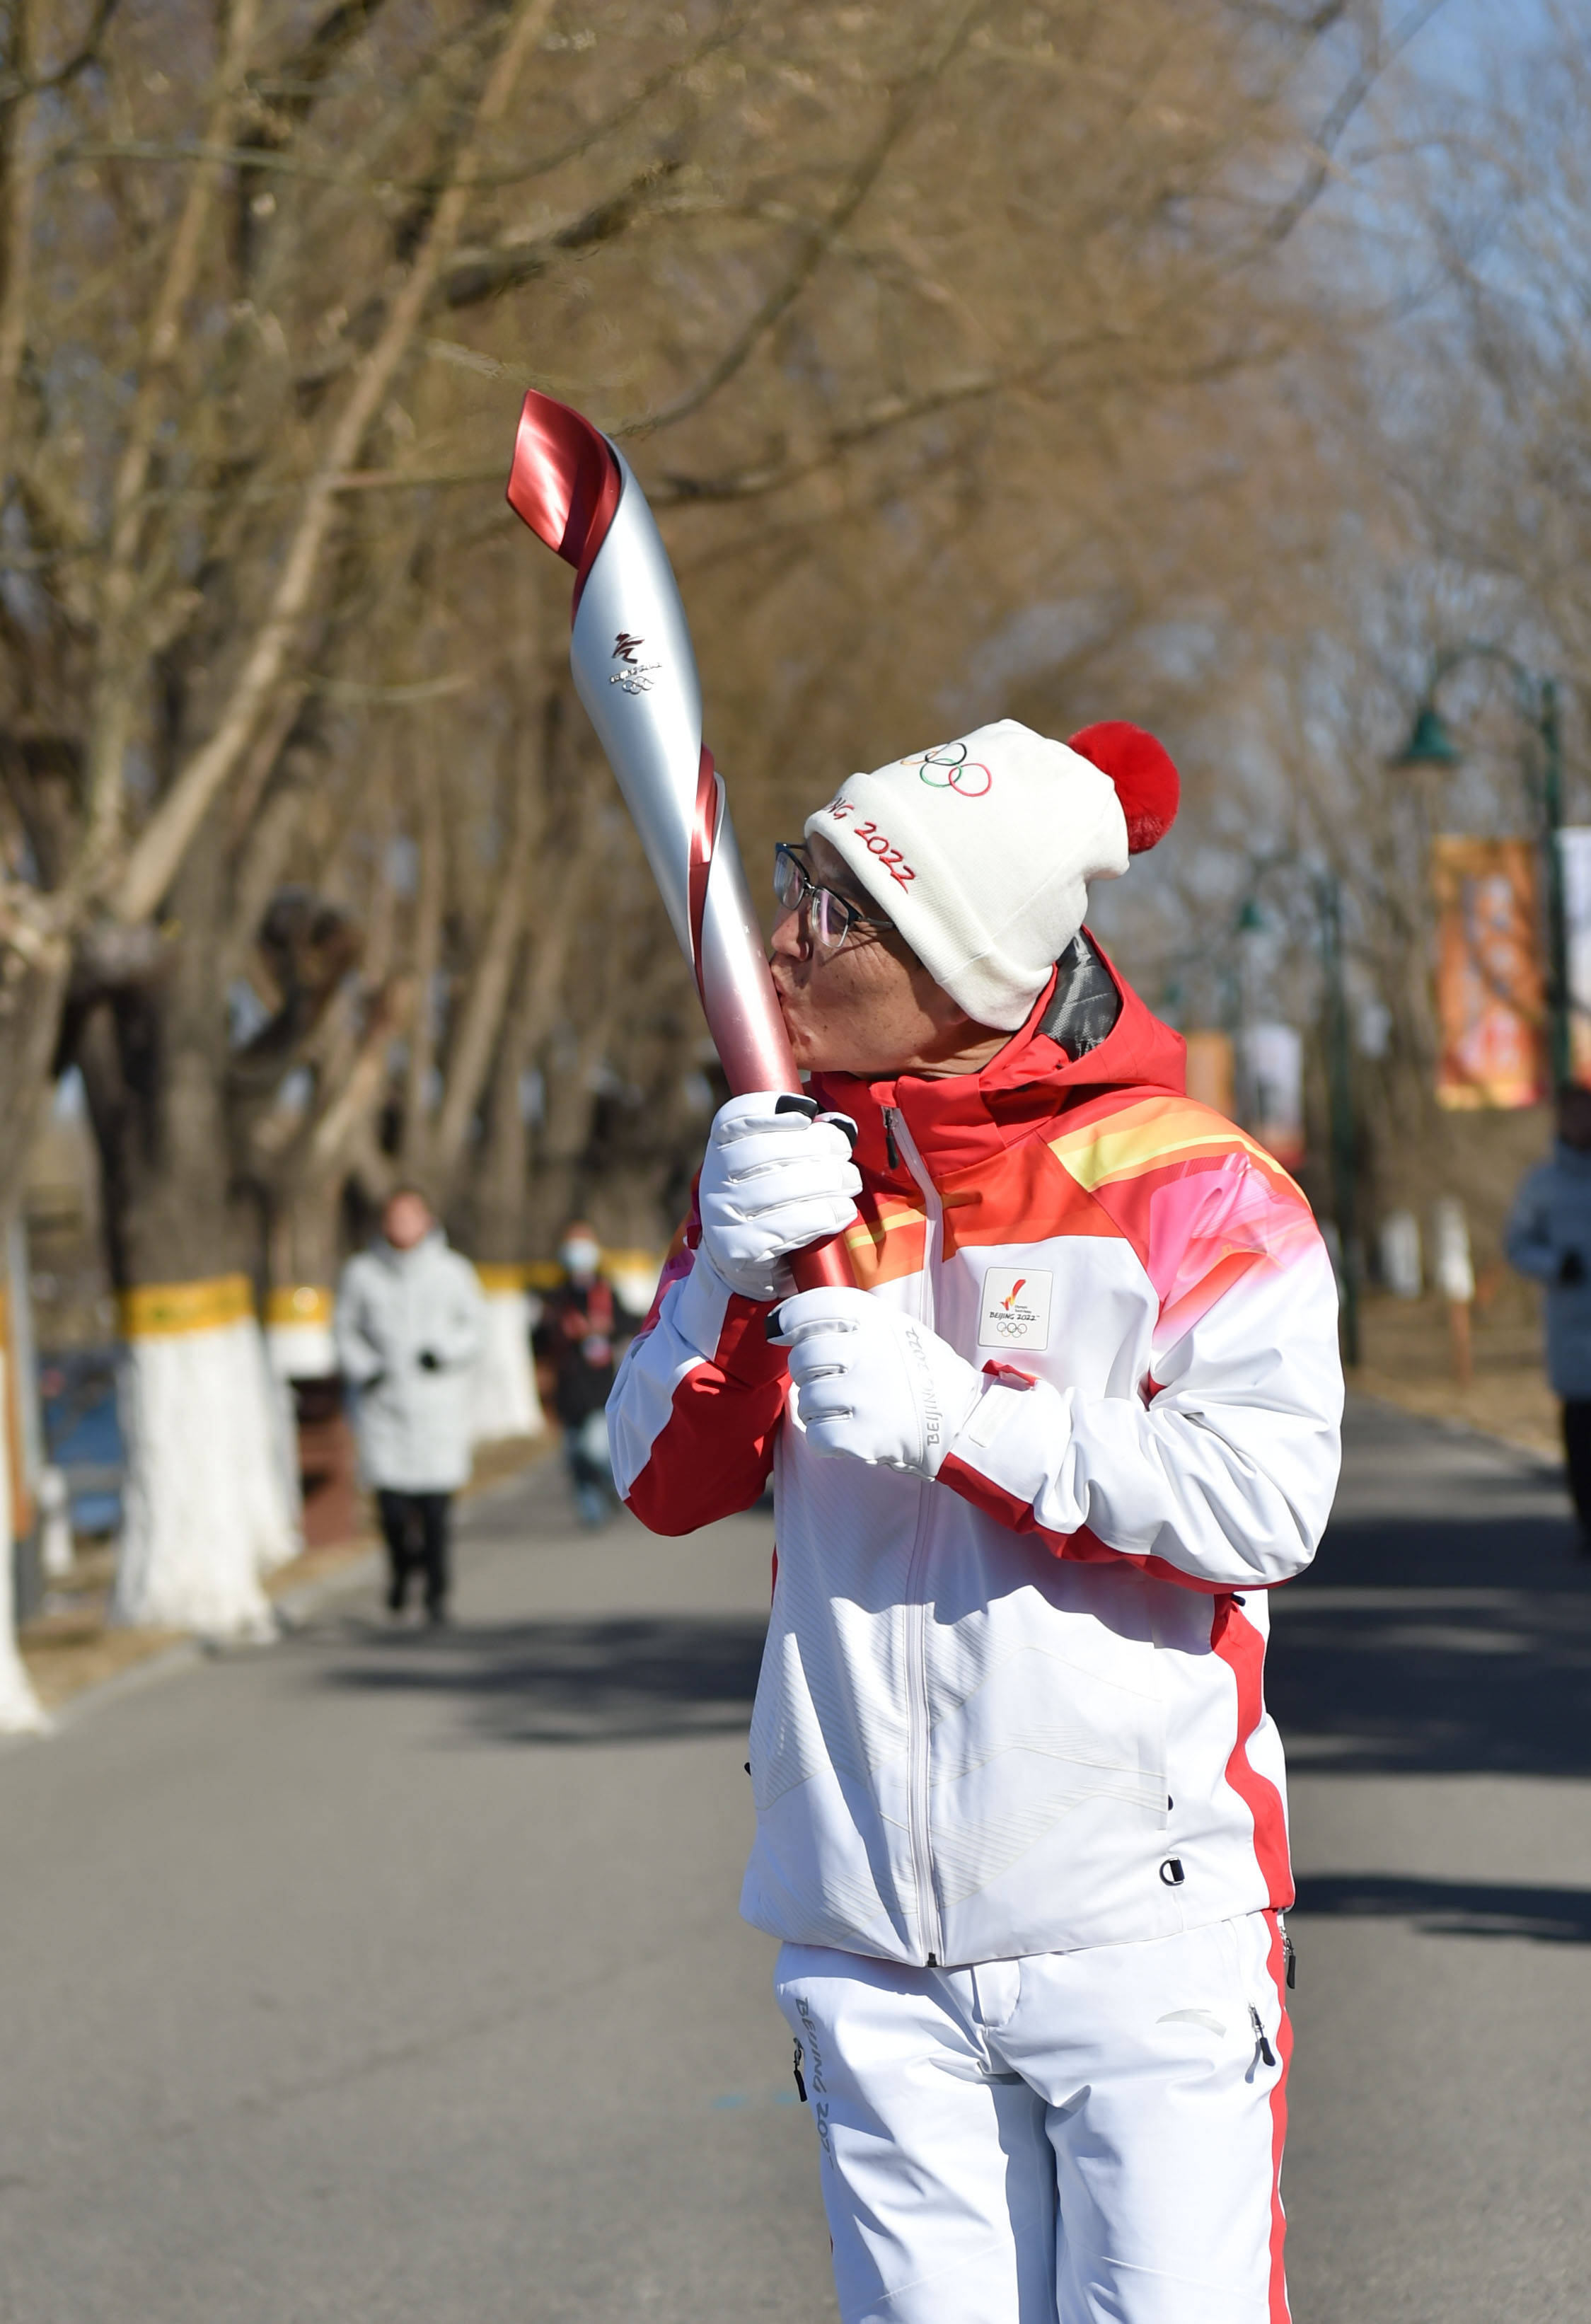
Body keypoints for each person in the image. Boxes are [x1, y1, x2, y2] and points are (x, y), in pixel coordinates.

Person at [608, 718, 1343, 2324]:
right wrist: (729, 1287)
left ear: (959, 971)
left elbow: (1263, 1496)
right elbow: (657, 1482)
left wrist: (962, 1420)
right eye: (793, 880)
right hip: (866, 1938)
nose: (779, 934)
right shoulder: (788, 1181)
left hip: (1138, 1928)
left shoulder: (1196, 1188)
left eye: (835, 909)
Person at [335, 1185, 486, 1623]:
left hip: (438, 1408)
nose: (402, 1226)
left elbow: (476, 1327)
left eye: (410, 1217)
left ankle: (438, 1595)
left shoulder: (453, 1271)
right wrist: (365, 1366)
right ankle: (402, 1572)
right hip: (386, 1409)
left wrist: (444, 1352)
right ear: (384, 1223)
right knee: (393, 1512)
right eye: (394, 1218)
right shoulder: (361, 1273)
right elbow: (344, 1330)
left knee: (437, 1515)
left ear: (426, 1220)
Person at [1505, 1085, 1591, 1551]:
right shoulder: (1541, 1184)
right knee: (1581, 1433)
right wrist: (1556, 1263)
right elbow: (1516, 1244)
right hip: (1573, 1327)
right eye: (1573, 1113)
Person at [534, 1222, 640, 1526]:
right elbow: (539, 1339)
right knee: (573, 1456)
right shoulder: (554, 1297)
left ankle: (616, 1487)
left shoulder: (606, 1290)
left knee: (594, 1448)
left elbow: (629, 1322)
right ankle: (591, 1512)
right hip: (567, 1387)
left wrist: (605, 1328)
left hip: (599, 1387)